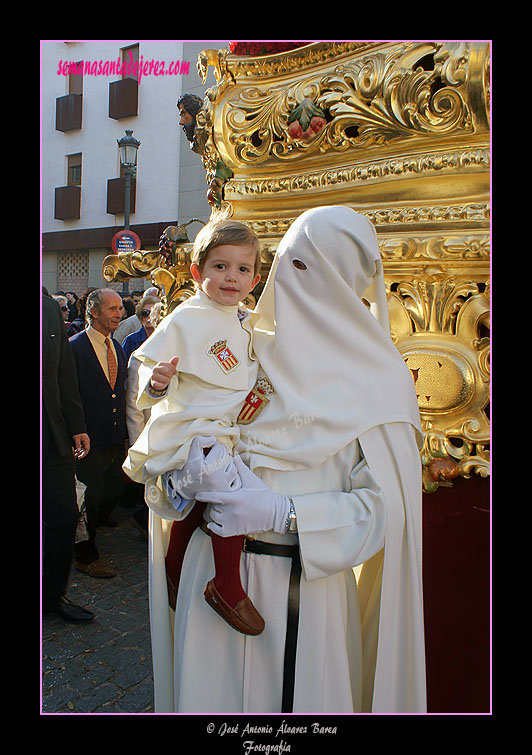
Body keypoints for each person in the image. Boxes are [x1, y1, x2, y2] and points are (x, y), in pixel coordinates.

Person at [143, 205, 426, 714]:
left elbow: (387, 513)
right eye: (289, 265)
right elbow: (184, 423)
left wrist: (283, 512)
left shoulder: (379, 382)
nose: (291, 283)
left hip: (301, 589)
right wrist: (180, 477)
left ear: (347, 282)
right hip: (208, 576)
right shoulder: (243, 344)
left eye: (313, 270)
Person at [123, 217, 264, 634]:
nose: (231, 277)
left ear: (255, 277)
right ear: (197, 272)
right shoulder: (186, 317)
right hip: (192, 426)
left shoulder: (245, 319)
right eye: (220, 266)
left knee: (203, 499)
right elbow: (148, 371)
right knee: (228, 491)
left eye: (242, 269)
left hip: (225, 425)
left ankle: (173, 566)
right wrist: (159, 380)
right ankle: (225, 583)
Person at [68, 289, 128, 578]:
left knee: (113, 489)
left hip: (114, 437)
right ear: (94, 312)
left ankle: (96, 523)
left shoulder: (117, 348)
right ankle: (85, 553)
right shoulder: (75, 347)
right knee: (88, 497)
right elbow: (67, 396)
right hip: (87, 440)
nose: (120, 313)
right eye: (112, 308)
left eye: (120, 308)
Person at [42, 293, 93, 622]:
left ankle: (51, 597)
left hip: (51, 434)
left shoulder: (46, 305)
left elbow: (63, 372)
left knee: (63, 516)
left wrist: (76, 425)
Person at [121, 295, 160, 361]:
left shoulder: (164, 338)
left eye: (153, 313)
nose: (149, 317)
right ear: (140, 317)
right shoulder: (131, 340)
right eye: (145, 313)